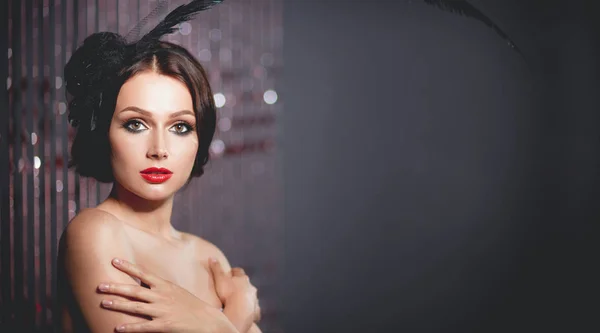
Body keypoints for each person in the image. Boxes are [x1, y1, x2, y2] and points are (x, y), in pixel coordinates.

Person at [55, 1, 262, 332]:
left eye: (180, 127)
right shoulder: (94, 232)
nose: (159, 150)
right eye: (136, 124)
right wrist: (236, 314)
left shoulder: (208, 257)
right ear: (104, 131)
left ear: (200, 138)